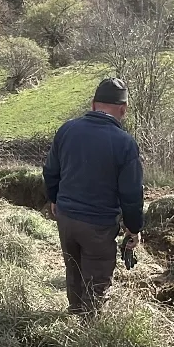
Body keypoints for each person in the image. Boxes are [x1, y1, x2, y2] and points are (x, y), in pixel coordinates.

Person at [42, 78, 144, 318]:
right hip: (98, 224)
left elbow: (49, 171)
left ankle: (75, 316)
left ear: (93, 104)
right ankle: (90, 336)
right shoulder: (125, 143)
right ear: (123, 109)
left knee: (74, 270)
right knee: (97, 281)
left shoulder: (67, 129)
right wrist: (133, 228)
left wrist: (54, 199)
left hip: (66, 217)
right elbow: (131, 193)